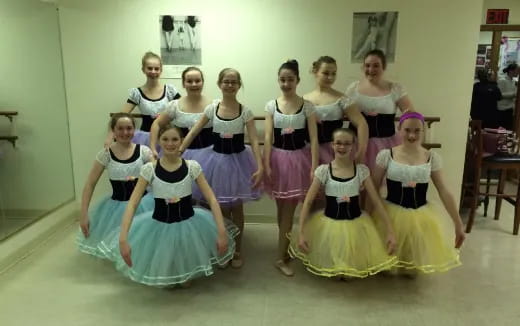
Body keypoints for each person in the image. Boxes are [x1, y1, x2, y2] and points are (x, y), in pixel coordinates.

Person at [100, 125, 238, 287]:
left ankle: (184, 271)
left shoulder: (192, 166)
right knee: (167, 277)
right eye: (165, 139)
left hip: (189, 224)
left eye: (175, 139)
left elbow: (212, 200)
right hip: (159, 225)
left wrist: (221, 232)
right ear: (159, 141)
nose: (170, 143)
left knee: (186, 279)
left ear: (181, 142)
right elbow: (133, 204)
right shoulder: (149, 169)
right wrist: (123, 238)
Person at [179, 68, 263, 268]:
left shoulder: (245, 111)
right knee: (222, 209)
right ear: (219, 84)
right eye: (226, 81)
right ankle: (227, 247)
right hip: (216, 162)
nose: (230, 85)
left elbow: (253, 138)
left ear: (239, 85)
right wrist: (180, 149)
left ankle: (239, 249)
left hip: (239, 163)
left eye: (234, 82)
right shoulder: (212, 109)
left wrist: (259, 166)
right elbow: (194, 131)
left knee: (237, 208)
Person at [288, 128, 397, 278]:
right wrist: (301, 233)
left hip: (356, 224)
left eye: (347, 143)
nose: (342, 147)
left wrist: (390, 230)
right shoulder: (323, 171)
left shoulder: (361, 171)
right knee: (336, 273)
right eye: (338, 143)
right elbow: (307, 203)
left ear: (353, 146)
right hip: (329, 224)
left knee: (349, 274)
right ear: (332, 145)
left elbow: (377, 201)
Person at [372, 111, 465, 276]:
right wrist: (370, 219)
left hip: (420, 215)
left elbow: (444, 190)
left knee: (410, 272)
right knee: (384, 270)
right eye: (407, 130)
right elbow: (373, 189)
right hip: (391, 213)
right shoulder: (386, 155)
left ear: (423, 132)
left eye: (417, 130)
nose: (412, 135)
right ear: (399, 129)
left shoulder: (431, 157)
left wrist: (458, 224)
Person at [263, 60, 319, 276]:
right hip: (278, 159)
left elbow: (313, 138)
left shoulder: (307, 106)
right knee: (281, 210)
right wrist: (267, 161)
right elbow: (268, 136)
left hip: (298, 161)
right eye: (282, 80)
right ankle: (284, 248)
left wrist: (314, 166)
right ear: (278, 80)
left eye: (290, 80)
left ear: (298, 81)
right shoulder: (271, 105)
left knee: (288, 210)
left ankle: (280, 257)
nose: (286, 84)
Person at [77, 113, 154, 258]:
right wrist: (84, 214)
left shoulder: (144, 152)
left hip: (143, 205)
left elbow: (157, 177)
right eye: (120, 128)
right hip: (115, 208)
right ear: (113, 130)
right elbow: (89, 184)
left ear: (134, 129)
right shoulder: (105, 155)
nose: (125, 132)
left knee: (143, 241)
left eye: (129, 128)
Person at [346, 49, 414, 170]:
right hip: (356, 144)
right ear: (363, 67)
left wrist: (406, 122)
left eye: (376, 65)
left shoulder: (395, 88)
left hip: (386, 145)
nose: (371, 70)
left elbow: (411, 115)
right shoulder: (353, 88)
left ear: (384, 67)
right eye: (367, 65)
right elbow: (343, 111)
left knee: (382, 184)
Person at [104, 52, 180, 148]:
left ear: (161, 70)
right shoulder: (137, 93)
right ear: (143, 69)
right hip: (144, 138)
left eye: (156, 69)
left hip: (167, 139)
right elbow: (119, 117)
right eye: (149, 68)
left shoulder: (170, 91)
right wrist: (110, 136)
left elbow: (184, 108)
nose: (153, 71)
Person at [304, 55, 368, 164]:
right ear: (315, 72)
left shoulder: (341, 99)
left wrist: (361, 152)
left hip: (333, 152)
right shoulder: (304, 99)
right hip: (306, 152)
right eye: (326, 73)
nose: (330, 77)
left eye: (333, 73)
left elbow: (362, 124)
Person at [150, 67, 213, 169]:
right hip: (180, 156)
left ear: (202, 82)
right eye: (189, 81)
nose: (194, 84)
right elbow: (157, 124)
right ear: (184, 84)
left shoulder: (214, 105)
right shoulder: (175, 106)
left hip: (209, 157)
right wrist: (152, 148)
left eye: (197, 81)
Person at [497, 63, 519, 130]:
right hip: (502, 110)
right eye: (517, 70)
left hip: (510, 109)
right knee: (503, 130)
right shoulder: (502, 80)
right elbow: (499, 95)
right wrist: (513, 94)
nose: (518, 72)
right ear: (511, 71)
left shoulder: (513, 81)